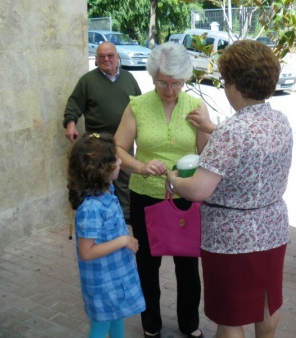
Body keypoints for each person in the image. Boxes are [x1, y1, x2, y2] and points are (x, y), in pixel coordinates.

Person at [166, 40, 293, 338]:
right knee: (267, 302)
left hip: (231, 236)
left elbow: (198, 189)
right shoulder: (280, 120)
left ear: (234, 83)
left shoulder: (232, 132)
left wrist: (174, 178)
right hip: (272, 228)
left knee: (231, 316)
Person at [114, 41, 214, 338]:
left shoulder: (196, 107)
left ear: (185, 78)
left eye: (176, 83)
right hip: (146, 195)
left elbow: (207, 155)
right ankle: (151, 323)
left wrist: (208, 128)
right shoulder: (138, 106)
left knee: (187, 264)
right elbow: (118, 147)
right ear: (152, 75)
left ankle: (189, 324)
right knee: (147, 263)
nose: (169, 90)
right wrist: (140, 166)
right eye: (162, 82)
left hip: (186, 196)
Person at [67, 132, 145, 338]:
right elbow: (87, 252)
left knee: (117, 316)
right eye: (115, 159)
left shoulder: (106, 192)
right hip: (103, 282)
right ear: (101, 170)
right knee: (101, 326)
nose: (120, 161)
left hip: (114, 275)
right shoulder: (91, 208)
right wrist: (123, 240)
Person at [63, 41, 142, 222]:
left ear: (117, 57)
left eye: (110, 55)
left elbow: (140, 106)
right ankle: (101, 218)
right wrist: (70, 123)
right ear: (96, 59)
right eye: (101, 56)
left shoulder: (129, 78)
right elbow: (73, 105)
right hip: (98, 144)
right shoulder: (87, 81)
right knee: (99, 181)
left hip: (125, 141)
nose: (106, 59)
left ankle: (125, 218)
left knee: (124, 180)